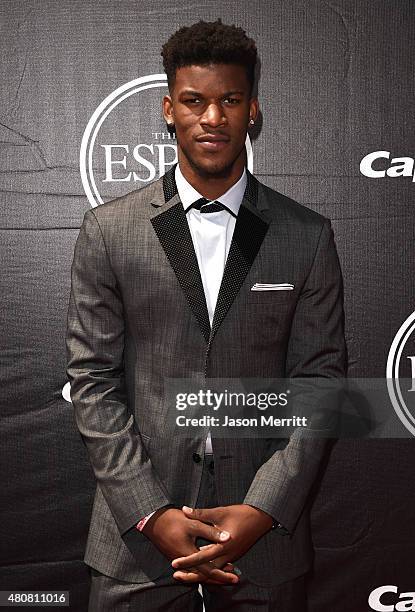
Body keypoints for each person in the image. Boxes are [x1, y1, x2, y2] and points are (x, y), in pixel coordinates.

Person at [66, 19, 347, 611]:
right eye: (195, 101)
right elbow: (92, 381)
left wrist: (265, 507)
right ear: (169, 110)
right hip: (137, 547)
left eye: (229, 101)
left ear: (253, 111)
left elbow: (320, 384)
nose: (212, 118)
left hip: (263, 545)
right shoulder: (109, 230)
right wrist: (149, 511)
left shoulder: (307, 236)